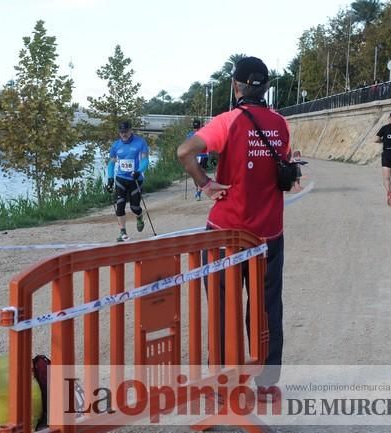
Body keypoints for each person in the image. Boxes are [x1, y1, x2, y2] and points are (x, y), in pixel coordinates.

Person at [177, 56, 292, 401]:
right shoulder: (281, 124)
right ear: (266, 88)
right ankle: (267, 383)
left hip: (225, 233)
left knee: (223, 308)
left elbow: (185, 151)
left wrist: (206, 184)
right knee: (266, 307)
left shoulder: (227, 121)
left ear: (236, 86)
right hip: (268, 232)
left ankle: (222, 385)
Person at [106, 120, 150, 242]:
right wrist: (109, 179)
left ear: (131, 130)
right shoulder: (115, 145)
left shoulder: (140, 142)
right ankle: (123, 233)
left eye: (126, 131)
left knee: (134, 207)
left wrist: (139, 170)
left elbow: (145, 160)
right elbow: (111, 163)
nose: (124, 134)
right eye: (121, 132)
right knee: (119, 205)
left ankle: (139, 217)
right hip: (121, 178)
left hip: (135, 179)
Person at [187, 119, 209, 200]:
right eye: (194, 127)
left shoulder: (204, 133)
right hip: (194, 157)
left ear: (200, 126)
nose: (195, 129)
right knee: (194, 176)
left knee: (201, 174)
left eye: (197, 127)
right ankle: (197, 190)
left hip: (203, 156)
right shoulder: (189, 135)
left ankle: (199, 192)